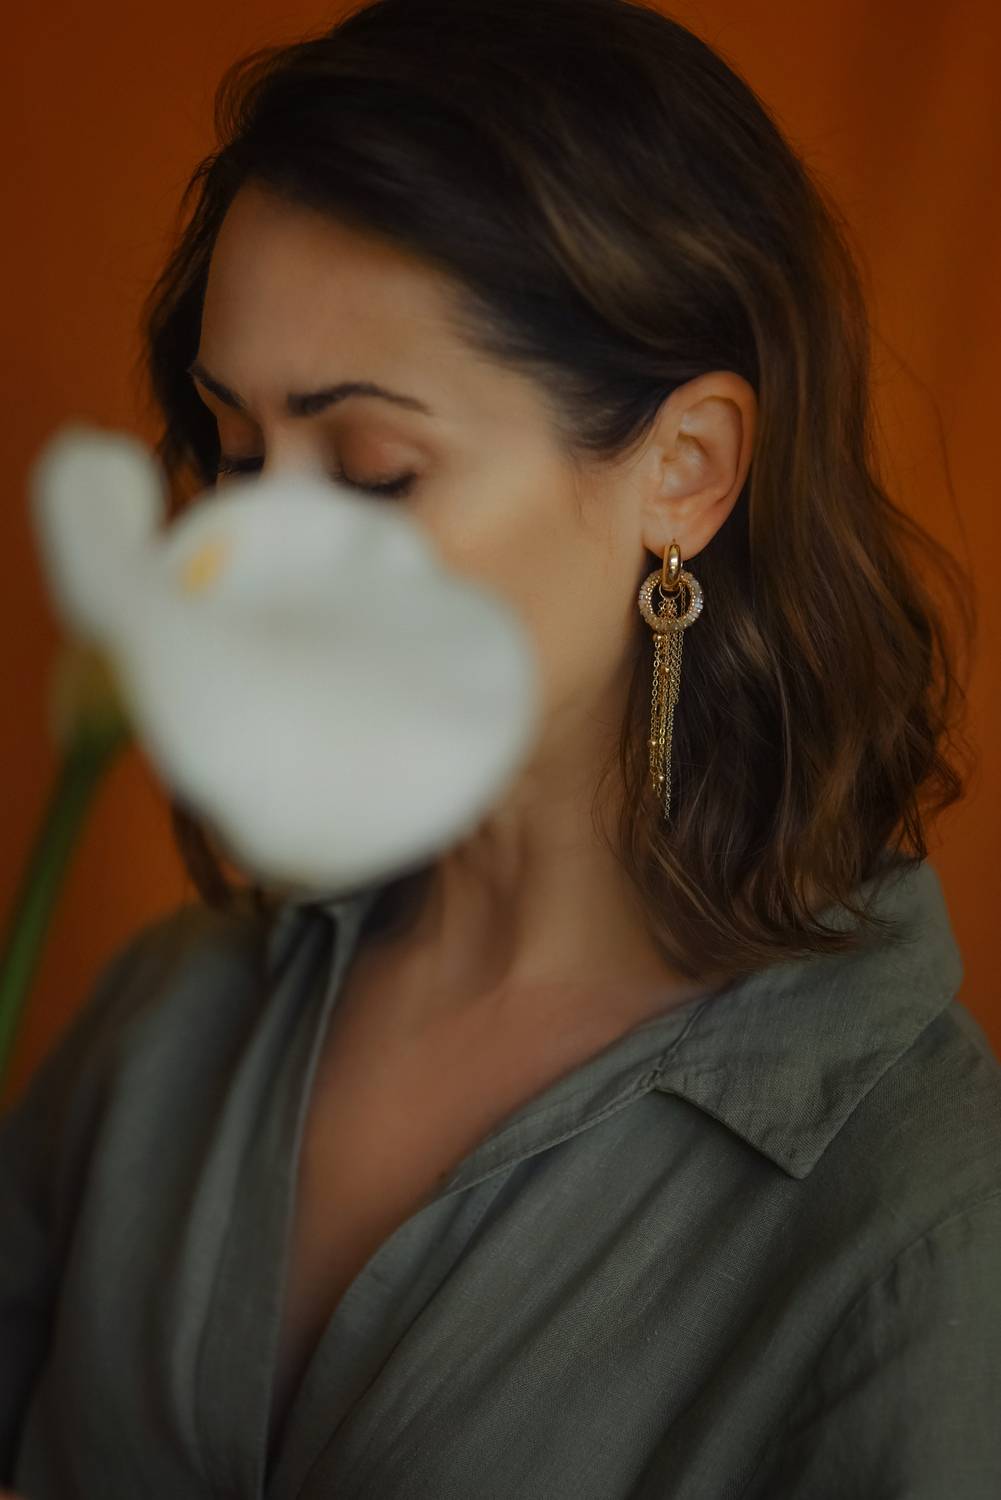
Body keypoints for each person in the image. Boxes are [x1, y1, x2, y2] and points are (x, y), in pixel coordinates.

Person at [3, 1, 999, 1496]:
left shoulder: (913, 1208)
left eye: (373, 471)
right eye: (236, 453)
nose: (252, 560)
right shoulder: (165, 1022)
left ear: (684, 471)